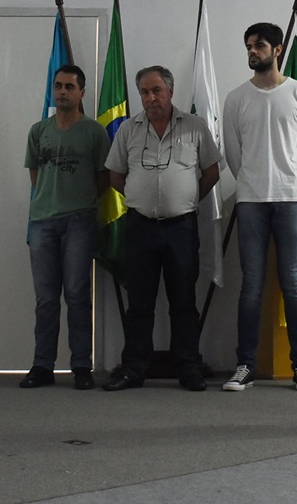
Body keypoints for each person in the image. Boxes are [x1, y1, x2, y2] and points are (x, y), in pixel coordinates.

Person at [102, 66, 221, 392]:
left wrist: (186, 199)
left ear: (170, 91)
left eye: (156, 90)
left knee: (183, 300)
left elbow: (211, 172)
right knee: (139, 302)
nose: (150, 98)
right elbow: (115, 174)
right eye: (144, 92)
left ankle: (189, 368)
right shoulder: (128, 129)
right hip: (140, 227)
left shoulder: (195, 126)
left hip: (181, 228)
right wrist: (139, 197)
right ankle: (133, 369)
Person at [221, 22, 297, 392]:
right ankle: (244, 365)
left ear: (277, 50)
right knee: (251, 284)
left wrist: (288, 176)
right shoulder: (236, 98)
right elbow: (233, 152)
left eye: (259, 45)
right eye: (248, 45)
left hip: (290, 198)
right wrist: (251, 180)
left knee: (292, 282)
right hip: (251, 200)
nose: (252, 51)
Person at [21, 65, 110, 390]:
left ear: (81, 92)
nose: (62, 91)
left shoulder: (94, 132)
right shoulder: (38, 131)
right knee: (46, 299)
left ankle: (81, 366)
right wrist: (51, 199)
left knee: (77, 295)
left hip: (79, 221)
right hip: (42, 222)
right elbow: (35, 174)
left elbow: (104, 178)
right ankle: (42, 366)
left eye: (69, 87)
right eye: (58, 86)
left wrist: (77, 199)